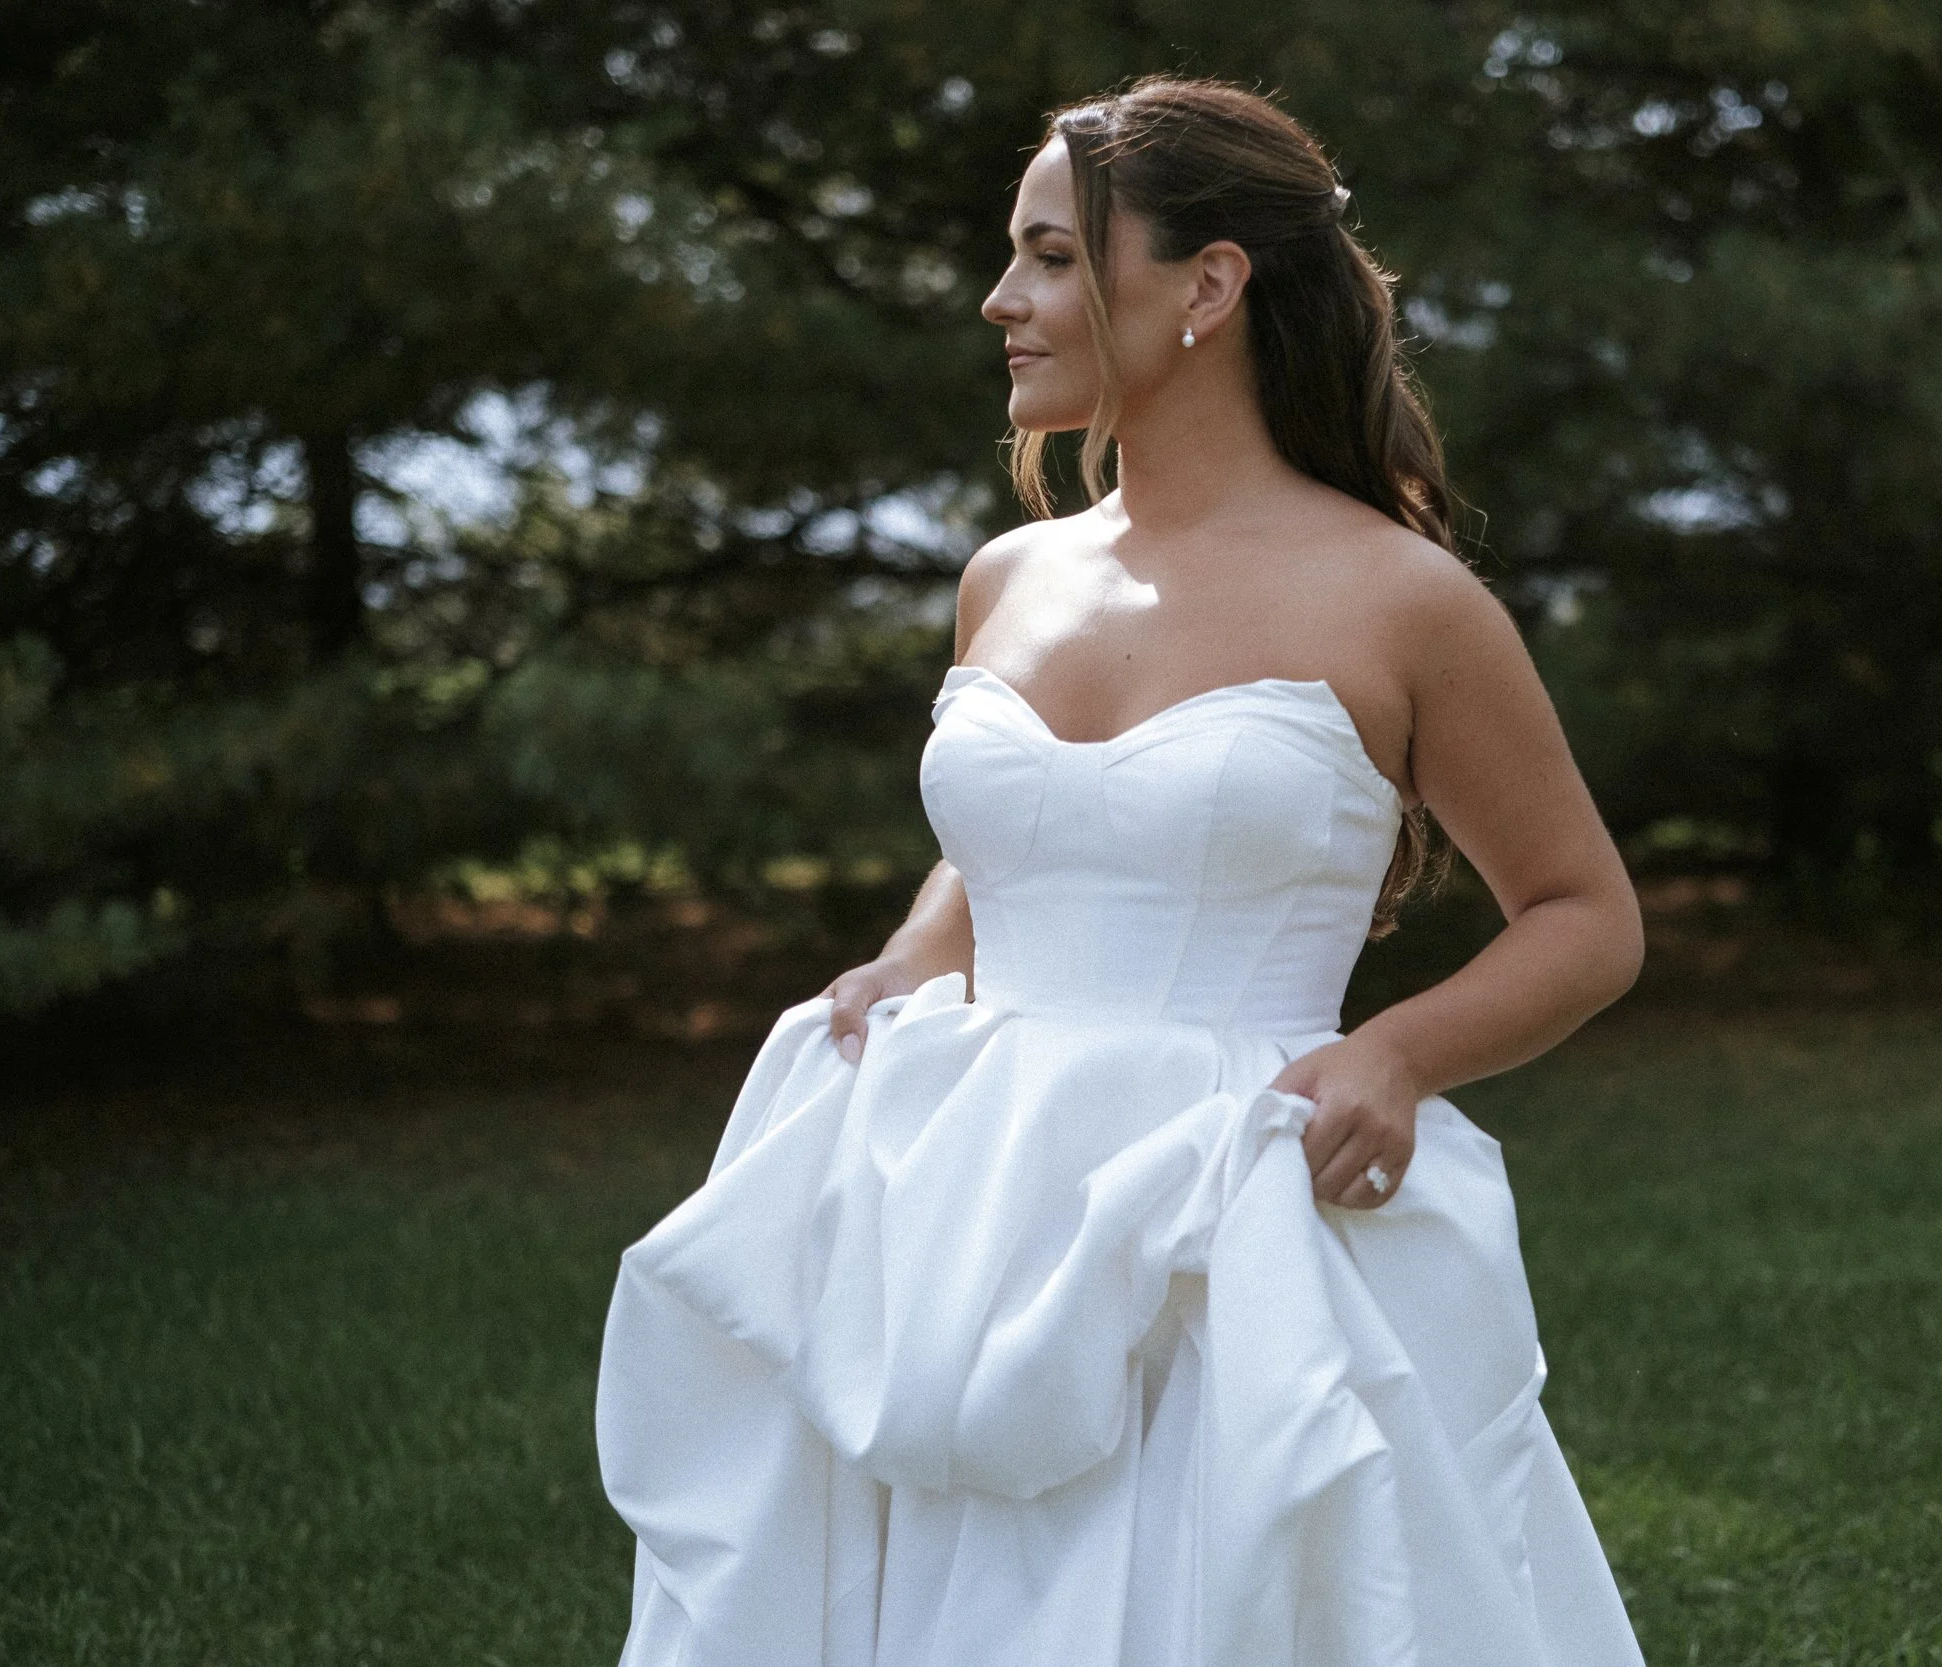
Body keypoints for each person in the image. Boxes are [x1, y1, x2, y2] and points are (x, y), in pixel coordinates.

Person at [595, 75, 1649, 1667]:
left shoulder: (1403, 603)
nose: (998, 300)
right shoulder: (1007, 577)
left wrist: (1397, 1052)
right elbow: (1018, 839)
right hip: (965, 1201)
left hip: (1234, 1209)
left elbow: (1587, 917)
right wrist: (908, 959)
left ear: (1207, 286)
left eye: (1051, 257)